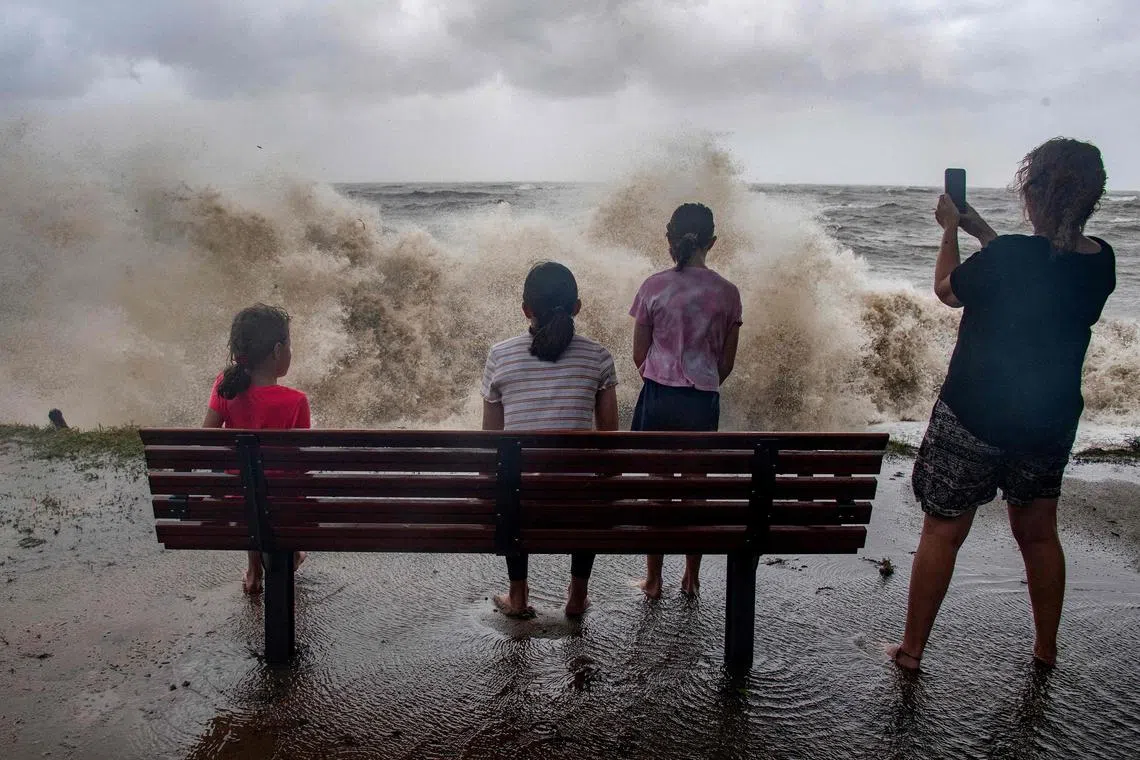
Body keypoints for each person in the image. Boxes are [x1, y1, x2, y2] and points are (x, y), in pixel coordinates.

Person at [891, 138, 1116, 671]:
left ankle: (911, 651)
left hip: (975, 410)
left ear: (1034, 195)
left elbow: (948, 290)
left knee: (944, 529)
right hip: (1049, 419)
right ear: (1090, 200)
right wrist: (984, 233)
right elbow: (1038, 268)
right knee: (1038, 533)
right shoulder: (1101, 261)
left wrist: (950, 230)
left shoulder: (1012, 256)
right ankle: (1045, 650)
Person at [481, 262, 619, 618]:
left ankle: (518, 594)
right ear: (577, 307)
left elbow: (491, 442)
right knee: (591, 479)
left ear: (526, 309)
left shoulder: (500, 356)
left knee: (509, 473)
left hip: (520, 503)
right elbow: (610, 441)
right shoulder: (599, 357)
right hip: (578, 504)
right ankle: (577, 596)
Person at [629, 203, 743, 599]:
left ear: (669, 239)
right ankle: (691, 578)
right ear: (712, 241)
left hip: (659, 396)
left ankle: (653, 580)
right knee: (696, 491)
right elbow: (725, 363)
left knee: (657, 490)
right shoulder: (728, 293)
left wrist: (662, 376)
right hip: (702, 399)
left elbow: (639, 354)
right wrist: (702, 381)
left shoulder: (652, 286)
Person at [202, 303, 311, 595]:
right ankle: (292, 552)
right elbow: (299, 465)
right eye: (289, 345)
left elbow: (205, 439)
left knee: (250, 488)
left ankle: (253, 570)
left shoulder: (224, 386)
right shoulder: (295, 401)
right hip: (280, 503)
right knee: (283, 489)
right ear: (277, 350)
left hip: (237, 500)